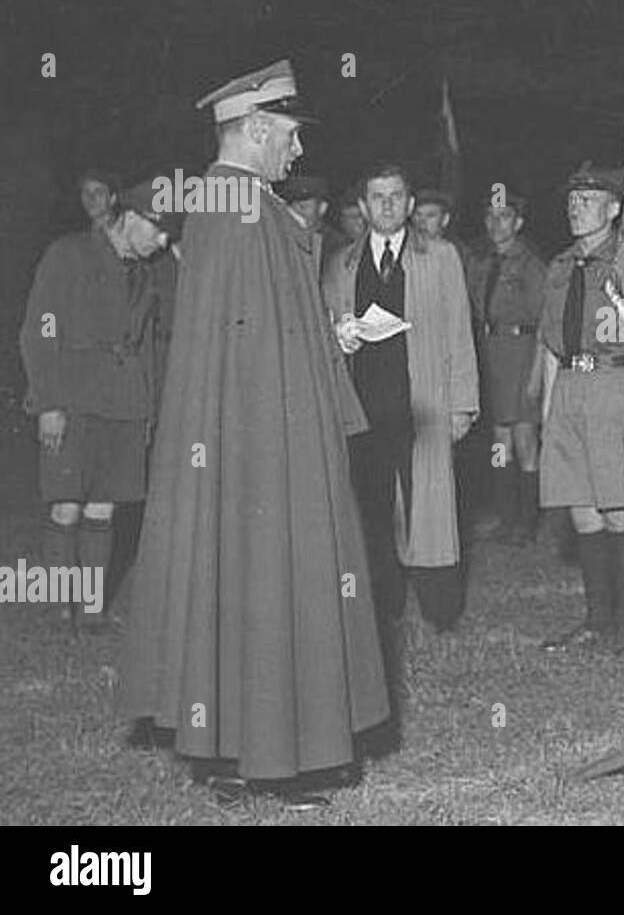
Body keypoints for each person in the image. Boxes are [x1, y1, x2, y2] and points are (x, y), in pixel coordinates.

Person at [120, 59, 389, 808]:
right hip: (260, 438)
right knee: (266, 582)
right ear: (259, 127)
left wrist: (323, 341)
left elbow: (261, 327)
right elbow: (243, 345)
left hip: (262, 425)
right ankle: (266, 755)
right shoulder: (238, 206)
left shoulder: (245, 205)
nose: (298, 153)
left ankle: (244, 750)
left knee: (248, 584)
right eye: (292, 137)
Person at [323, 163, 478, 727]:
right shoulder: (341, 262)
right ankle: (383, 610)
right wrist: (337, 337)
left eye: (395, 197)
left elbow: (461, 331)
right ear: (362, 208)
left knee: (429, 507)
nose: (386, 206)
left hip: (424, 398)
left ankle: (441, 612)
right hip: (364, 405)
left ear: (410, 204)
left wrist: (464, 402)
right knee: (369, 510)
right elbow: (328, 326)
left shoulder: (439, 258)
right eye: (376, 198)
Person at [20, 179, 175, 630]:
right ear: (128, 217)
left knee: (103, 508)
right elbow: (40, 329)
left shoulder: (146, 274)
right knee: (66, 504)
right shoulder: (67, 255)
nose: (162, 242)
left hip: (124, 405)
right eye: (158, 230)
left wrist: (145, 410)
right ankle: (57, 607)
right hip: (73, 398)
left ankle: (90, 611)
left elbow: (145, 346)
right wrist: (47, 401)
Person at [533, 163, 624, 655]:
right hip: (569, 387)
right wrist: (546, 413)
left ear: (615, 207)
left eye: (589, 200)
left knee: (618, 508)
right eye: (572, 201)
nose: (577, 208)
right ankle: (596, 620)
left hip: (615, 382)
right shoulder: (560, 266)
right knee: (582, 510)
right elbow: (548, 342)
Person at [464, 191, 547, 544]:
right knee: (500, 440)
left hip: (522, 353)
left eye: (504, 217)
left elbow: (545, 322)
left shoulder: (530, 264)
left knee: (525, 438)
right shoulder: (481, 263)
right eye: (490, 217)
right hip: (491, 354)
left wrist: (537, 373)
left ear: (518, 222)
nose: (496, 224)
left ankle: (529, 520)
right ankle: (507, 515)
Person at [281, 173, 349, 271]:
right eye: (292, 206)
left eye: (303, 207)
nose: (297, 213)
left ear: (322, 208)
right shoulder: (280, 239)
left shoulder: (337, 246)